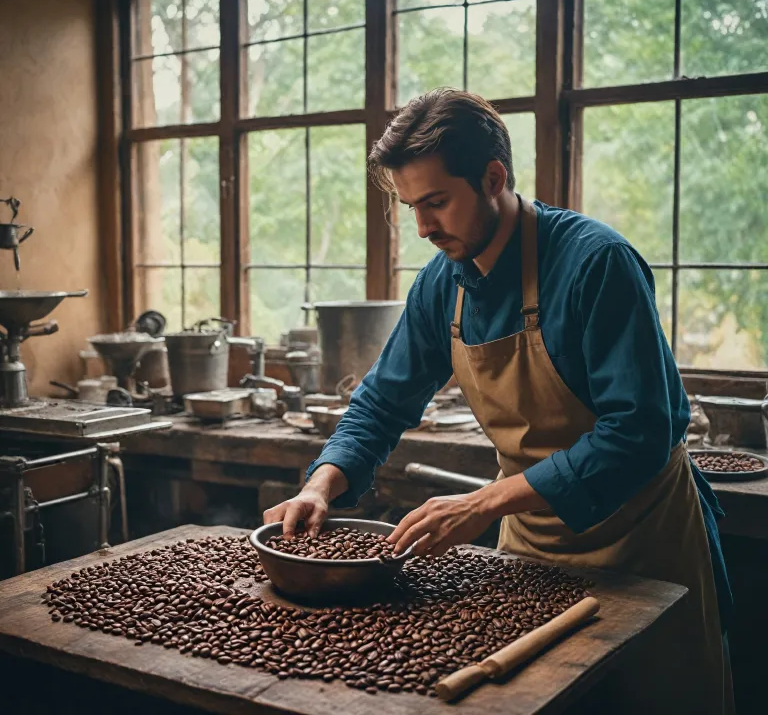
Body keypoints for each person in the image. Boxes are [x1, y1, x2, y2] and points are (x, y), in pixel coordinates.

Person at [264, 88, 733, 713]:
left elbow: (640, 433)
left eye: (437, 203)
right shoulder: (441, 283)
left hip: (643, 542)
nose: (425, 228)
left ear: (493, 177)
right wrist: (321, 485)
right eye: (411, 208)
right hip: (533, 544)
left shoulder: (597, 263)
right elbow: (382, 401)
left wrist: (483, 502)